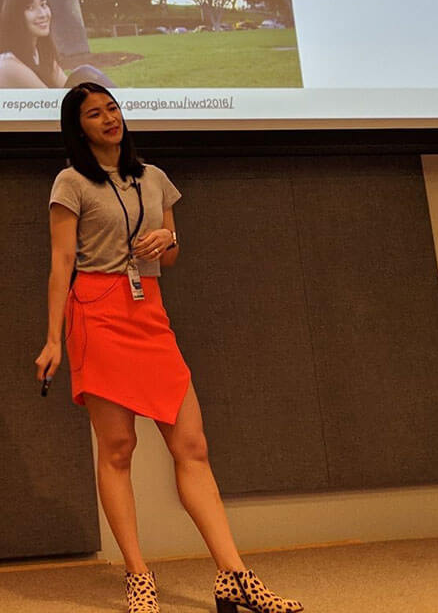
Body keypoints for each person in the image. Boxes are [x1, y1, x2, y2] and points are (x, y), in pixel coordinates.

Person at [34, 83, 304, 613]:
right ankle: (138, 575)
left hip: (148, 314)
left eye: (112, 107)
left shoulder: (153, 178)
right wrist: (52, 340)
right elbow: (61, 262)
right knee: (117, 450)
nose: (109, 118)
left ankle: (234, 576)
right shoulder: (70, 182)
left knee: (192, 446)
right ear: (78, 126)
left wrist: (167, 242)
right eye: (95, 113)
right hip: (96, 313)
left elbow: (171, 252)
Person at [0, 0, 70, 88]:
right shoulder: (8, 66)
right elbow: (55, 103)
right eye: (30, 8)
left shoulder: (39, 55)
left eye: (43, 4)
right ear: (12, 16)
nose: (43, 14)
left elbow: (70, 90)